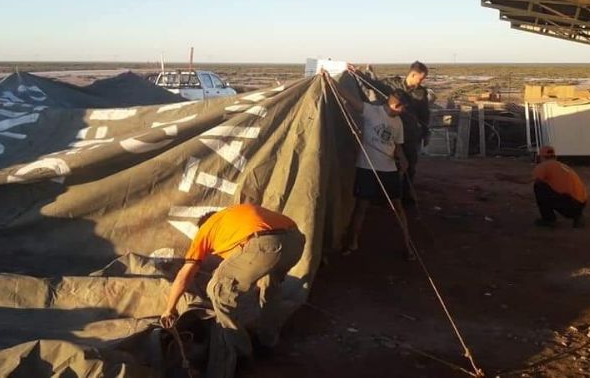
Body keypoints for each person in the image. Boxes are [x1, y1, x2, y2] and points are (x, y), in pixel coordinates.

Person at [160, 203, 305, 361]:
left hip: (264, 244)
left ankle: (241, 352)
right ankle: (268, 341)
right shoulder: (236, 214)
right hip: (295, 241)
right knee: (269, 286)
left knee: (218, 289)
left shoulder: (206, 229)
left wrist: (170, 309)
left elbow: (184, 275)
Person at [323, 72, 413, 258]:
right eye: (401, 108)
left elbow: (397, 146)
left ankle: (408, 244)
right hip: (367, 168)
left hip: (389, 169)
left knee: (398, 207)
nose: (402, 112)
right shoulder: (372, 111)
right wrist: (331, 82)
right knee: (361, 207)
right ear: (394, 104)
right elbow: (350, 98)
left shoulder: (398, 123)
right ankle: (353, 242)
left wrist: (402, 160)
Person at [366, 61, 431, 205]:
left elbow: (424, 115)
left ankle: (406, 196)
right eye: (420, 78)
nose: (421, 81)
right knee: (388, 165)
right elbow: (372, 84)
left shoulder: (421, 93)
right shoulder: (392, 85)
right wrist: (357, 73)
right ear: (413, 74)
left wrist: (426, 133)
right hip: (390, 134)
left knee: (409, 165)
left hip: (409, 135)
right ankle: (386, 196)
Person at [533, 146, 588, 228]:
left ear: (541, 157)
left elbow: (529, 180)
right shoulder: (562, 166)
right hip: (581, 204)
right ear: (555, 156)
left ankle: (548, 219)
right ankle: (578, 216)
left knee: (539, 186)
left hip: (569, 205)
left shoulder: (543, 166)